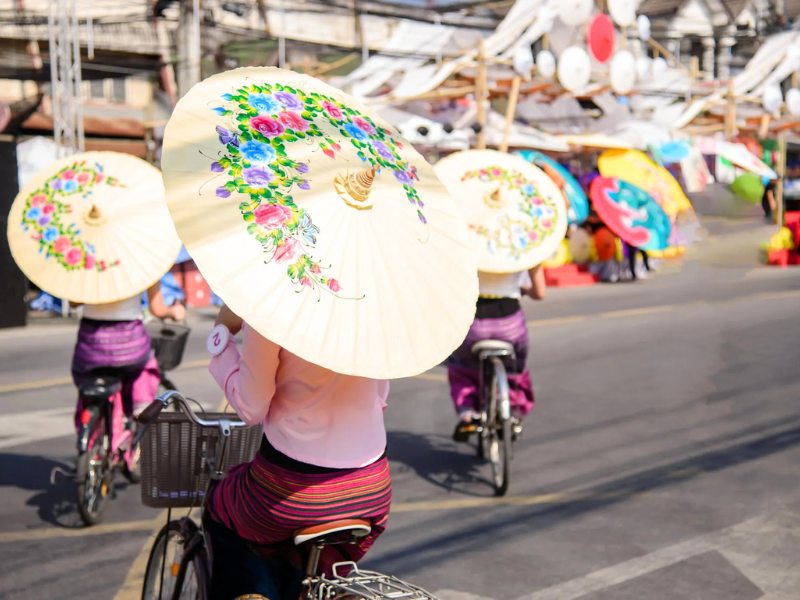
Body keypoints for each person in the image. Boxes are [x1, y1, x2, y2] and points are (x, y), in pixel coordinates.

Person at [202, 305, 393, 600]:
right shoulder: (371, 305)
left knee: (220, 508)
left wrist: (221, 338)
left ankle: (253, 592)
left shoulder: (272, 307)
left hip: (289, 491)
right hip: (370, 493)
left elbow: (251, 407)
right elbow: (380, 395)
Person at [447, 265, 545, 442]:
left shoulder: (468, 244)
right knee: (516, 366)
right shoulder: (522, 250)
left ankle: (468, 413)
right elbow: (540, 293)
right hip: (510, 325)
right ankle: (512, 410)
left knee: (460, 366)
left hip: (472, 324)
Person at [71, 284, 185, 421]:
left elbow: (73, 302)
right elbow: (158, 310)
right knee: (146, 365)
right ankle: (141, 405)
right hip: (129, 343)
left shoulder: (89, 264)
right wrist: (175, 311)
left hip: (91, 344)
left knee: (87, 378)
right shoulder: (142, 266)